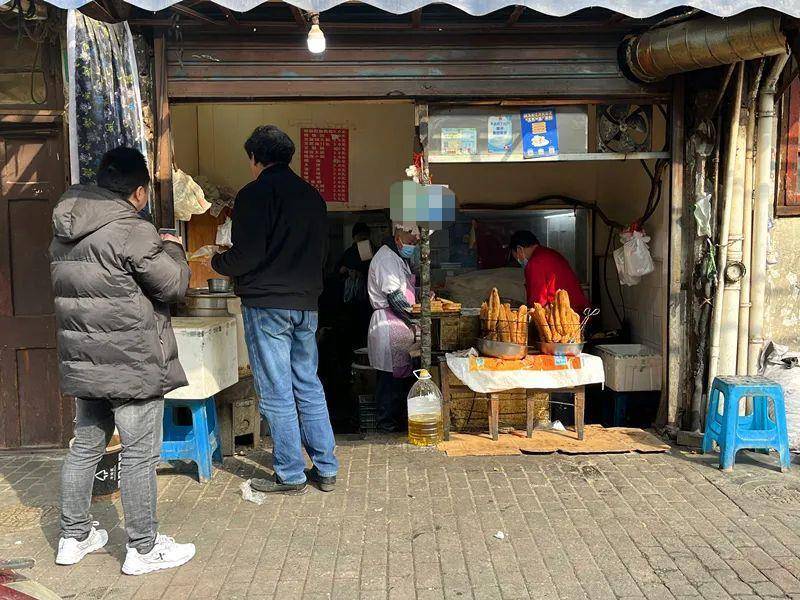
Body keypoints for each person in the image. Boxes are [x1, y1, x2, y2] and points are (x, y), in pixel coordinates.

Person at [50, 147, 195, 575]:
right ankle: (143, 548)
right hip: (131, 363)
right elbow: (172, 287)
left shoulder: (65, 228)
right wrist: (173, 249)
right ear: (138, 192)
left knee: (85, 447)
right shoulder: (133, 229)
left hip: (85, 361)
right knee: (138, 456)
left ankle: (73, 537)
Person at [211, 125, 338, 494]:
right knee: (308, 385)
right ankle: (326, 469)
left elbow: (245, 256)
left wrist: (217, 262)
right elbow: (321, 256)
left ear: (255, 158)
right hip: (306, 306)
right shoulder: (313, 197)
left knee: (278, 390)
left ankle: (291, 474)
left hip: (267, 306)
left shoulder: (253, 194)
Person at [367, 223, 420, 433]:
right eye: (411, 242)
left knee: (400, 379)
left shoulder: (399, 258)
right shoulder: (386, 258)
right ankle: (386, 424)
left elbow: (406, 290)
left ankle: (396, 421)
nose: (413, 246)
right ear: (399, 238)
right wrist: (418, 315)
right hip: (388, 324)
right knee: (389, 380)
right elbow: (396, 298)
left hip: (400, 325)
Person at [509, 230, 590, 314]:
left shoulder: (535, 263)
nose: (518, 260)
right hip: (580, 312)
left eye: (516, 257)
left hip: (564, 317)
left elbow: (537, 304)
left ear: (519, 249)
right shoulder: (551, 254)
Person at [337, 222, 373, 349]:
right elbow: (337, 272)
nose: (363, 240)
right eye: (360, 237)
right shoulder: (349, 253)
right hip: (351, 299)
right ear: (354, 238)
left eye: (365, 237)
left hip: (367, 299)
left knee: (364, 328)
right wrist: (345, 271)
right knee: (353, 329)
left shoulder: (371, 251)